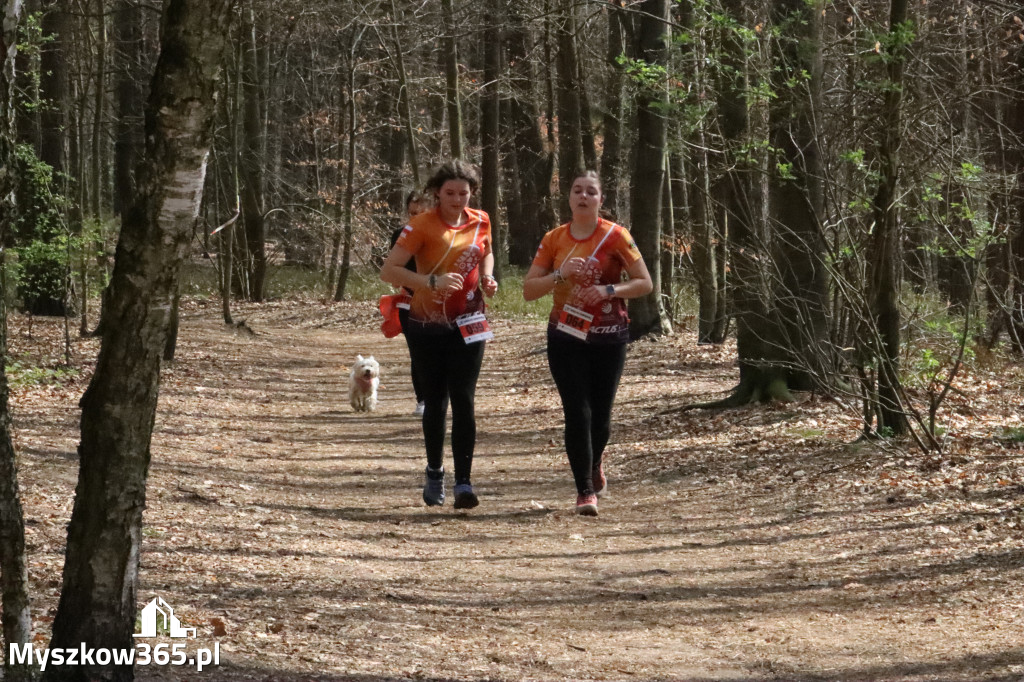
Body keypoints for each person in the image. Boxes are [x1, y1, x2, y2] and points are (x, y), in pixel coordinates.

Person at [522, 171, 653, 516]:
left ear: (600, 200)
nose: (583, 196)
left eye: (590, 192)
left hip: (609, 336)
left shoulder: (616, 236)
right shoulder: (554, 239)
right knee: (577, 412)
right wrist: (560, 274)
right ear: (568, 198)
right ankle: (584, 491)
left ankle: (594, 462)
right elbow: (529, 290)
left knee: (601, 417)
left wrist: (609, 290)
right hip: (565, 334)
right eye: (577, 190)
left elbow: (644, 283)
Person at [381, 161, 498, 509]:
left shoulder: (481, 220)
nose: (457, 200)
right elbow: (390, 270)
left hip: (470, 319)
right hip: (427, 322)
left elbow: (487, 252)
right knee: (436, 400)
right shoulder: (421, 225)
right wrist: (431, 282)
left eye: (464, 193)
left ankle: (464, 482)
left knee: (464, 398)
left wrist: (488, 277)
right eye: (450, 193)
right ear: (437, 192)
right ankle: (435, 470)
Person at [389, 190, 429, 415]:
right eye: (412, 213)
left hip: (442, 303)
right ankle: (422, 400)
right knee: (418, 352)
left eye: (421, 213)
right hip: (410, 301)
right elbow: (393, 273)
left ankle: (440, 396)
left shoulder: (445, 236)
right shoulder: (400, 235)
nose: (416, 218)